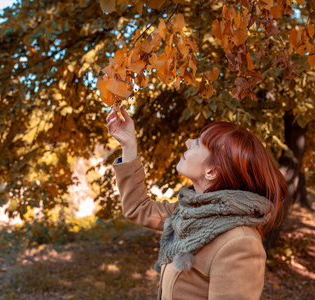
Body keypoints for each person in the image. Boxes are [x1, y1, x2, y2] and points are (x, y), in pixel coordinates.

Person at [107, 106, 287, 300]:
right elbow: (139, 208)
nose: (187, 142)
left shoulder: (241, 244)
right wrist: (129, 146)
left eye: (199, 144)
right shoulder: (189, 212)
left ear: (212, 171)